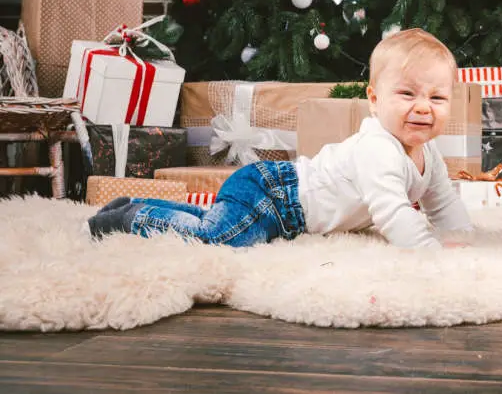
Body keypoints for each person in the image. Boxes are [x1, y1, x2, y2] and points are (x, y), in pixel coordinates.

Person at [88, 28, 473, 249]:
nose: (424, 107)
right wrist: (431, 255)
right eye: (407, 94)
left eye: (437, 98)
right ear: (374, 100)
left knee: (216, 220)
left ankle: (131, 202)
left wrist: (464, 242)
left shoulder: (428, 153)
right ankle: (129, 218)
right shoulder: (378, 149)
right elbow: (392, 215)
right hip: (274, 195)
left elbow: (443, 206)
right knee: (220, 238)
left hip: (280, 198)